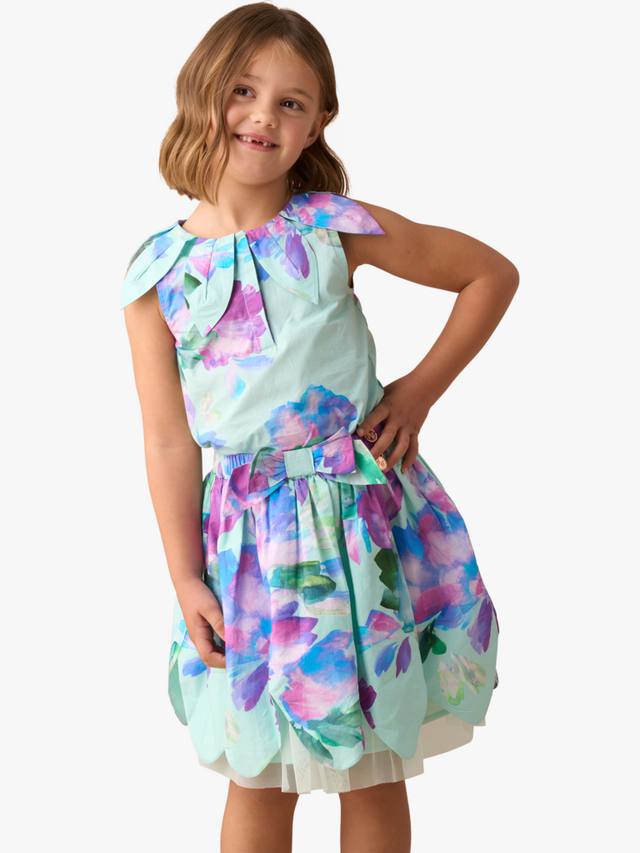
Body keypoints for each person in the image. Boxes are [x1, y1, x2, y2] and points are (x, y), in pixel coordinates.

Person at [120, 4, 517, 852]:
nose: (263, 115)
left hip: (362, 529)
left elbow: (488, 274)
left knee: (371, 764)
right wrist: (185, 577)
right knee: (258, 770)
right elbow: (167, 440)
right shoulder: (158, 276)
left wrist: (415, 394)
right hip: (251, 552)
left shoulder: (333, 226)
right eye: (243, 91)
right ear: (200, 92)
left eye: (291, 102)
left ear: (317, 123)